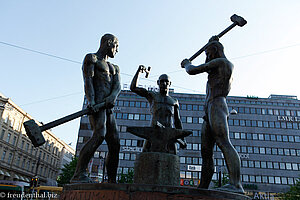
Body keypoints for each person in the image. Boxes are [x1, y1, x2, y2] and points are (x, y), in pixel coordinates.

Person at [181, 36, 244, 193]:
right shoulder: (217, 64)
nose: (207, 58)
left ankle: (236, 184)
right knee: (206, 150)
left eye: (208, 54)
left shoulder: (222, 63)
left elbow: (193, 70)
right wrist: (211, 41)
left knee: (223, 142)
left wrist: (186, 64)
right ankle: (203, 187)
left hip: (217, 105)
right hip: (209, 108)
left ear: (215, 51)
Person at [71, 33, 121, 183]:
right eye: (117, 46)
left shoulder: (115, 67)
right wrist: (91, 101)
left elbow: (118, 86)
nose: (117, 50)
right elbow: (88, 81)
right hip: (97, 105)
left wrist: (112, 97)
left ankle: (111, 180)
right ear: (109, 43)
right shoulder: (91, 58)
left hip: (108, 107)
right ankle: (78, 174)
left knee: (115, 142)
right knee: (99, 134)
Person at [130, 66, 186, 154]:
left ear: (170, 83)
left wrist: (182, 138)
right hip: (153, 132)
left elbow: (177, 121)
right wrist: (138, 72)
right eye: (162, 81)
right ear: (158, 83)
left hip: (169, 133)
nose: (164, 83)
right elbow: (133, 88)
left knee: (173, 157)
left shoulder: (174, 101)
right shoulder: (152, 96)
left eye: (166, 81)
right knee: (145, 155)